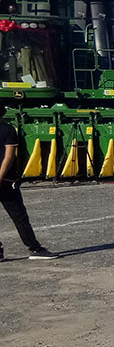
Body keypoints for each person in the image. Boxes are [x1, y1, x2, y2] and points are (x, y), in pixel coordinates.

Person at [0, 104, 59, 260]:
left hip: (5, 181)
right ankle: (35, 248)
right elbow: (9, 157)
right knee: (19, 217)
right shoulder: (8, 130)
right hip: (6, 181)